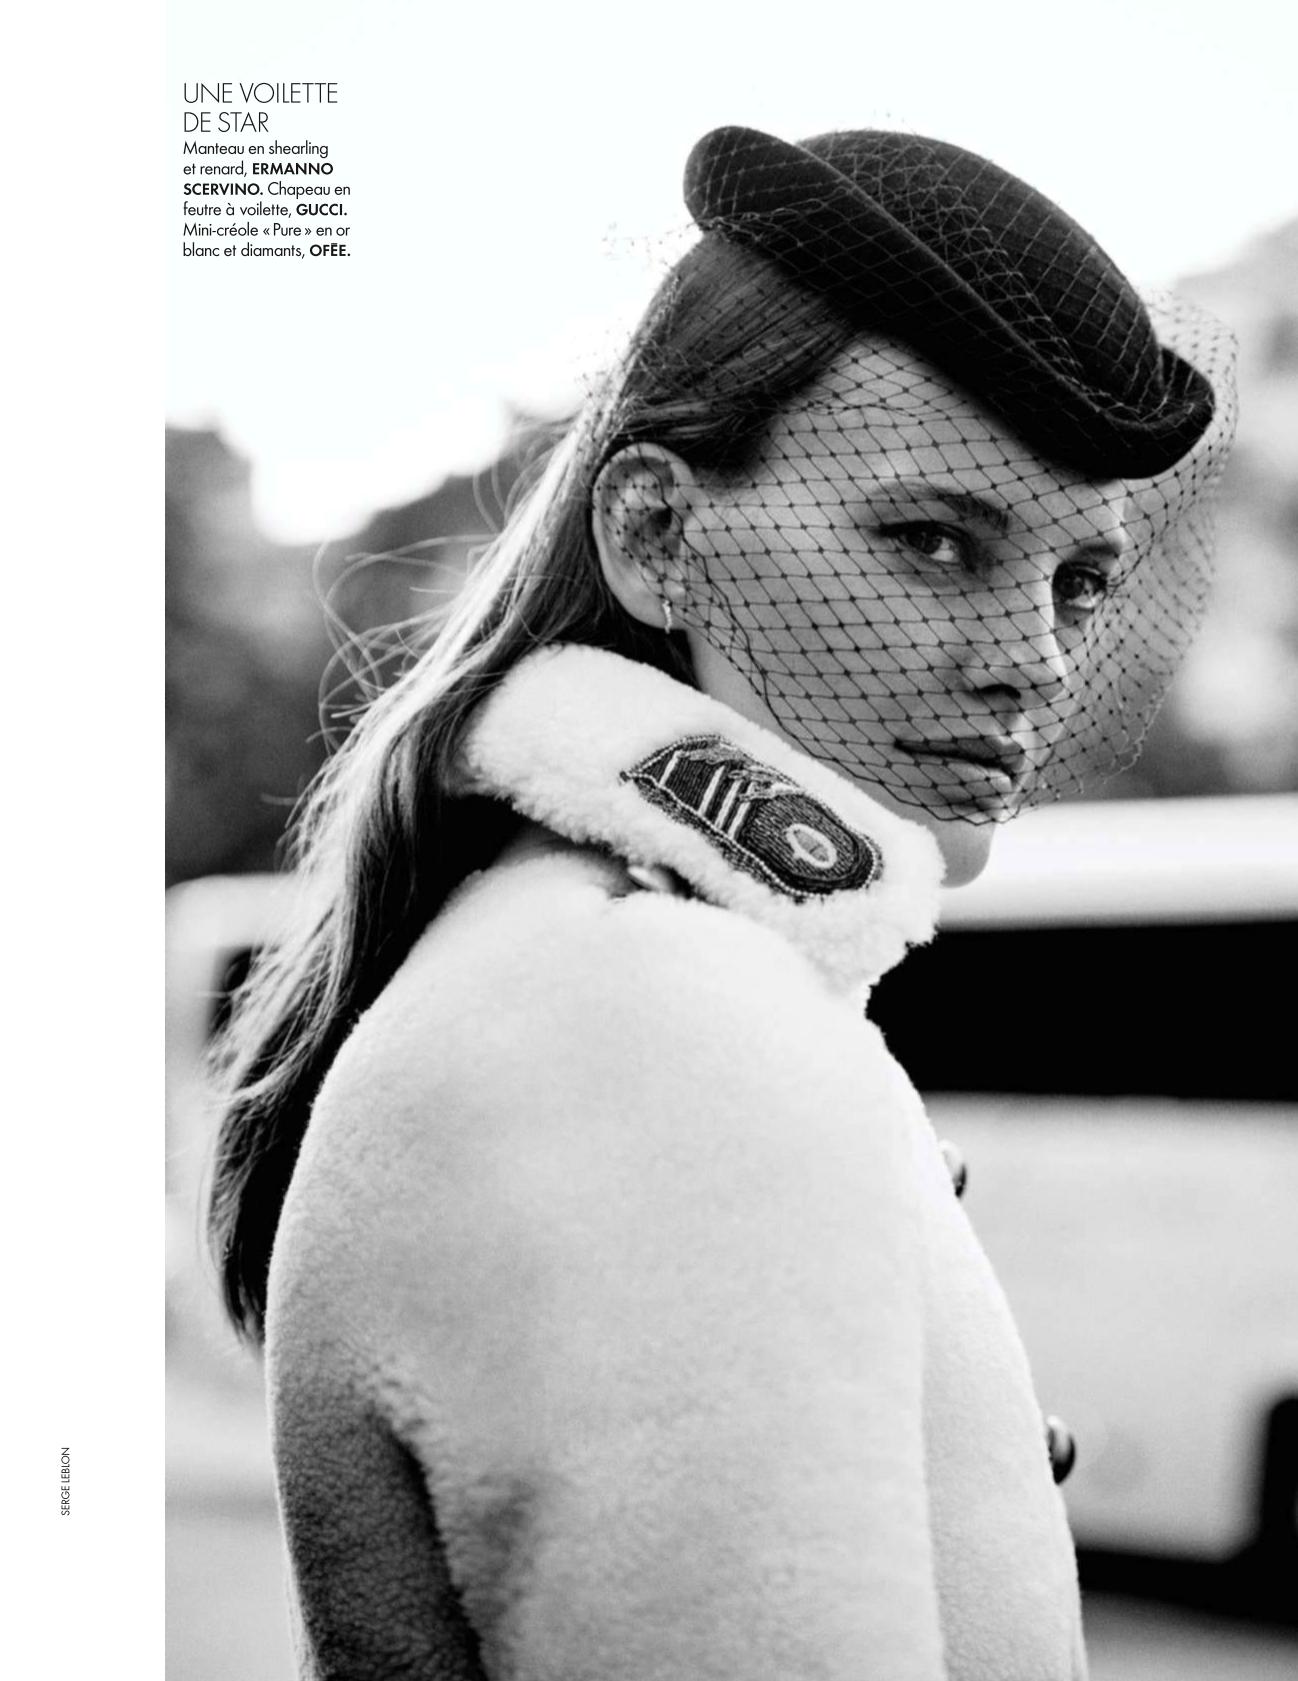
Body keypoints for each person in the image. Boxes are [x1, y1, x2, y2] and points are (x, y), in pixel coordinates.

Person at [208, 126, 1234, 1678]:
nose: (1032, 658)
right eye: (932, 540)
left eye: (1073, 582)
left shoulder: (590, 952)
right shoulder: (651, 1014)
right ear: (656, 534)